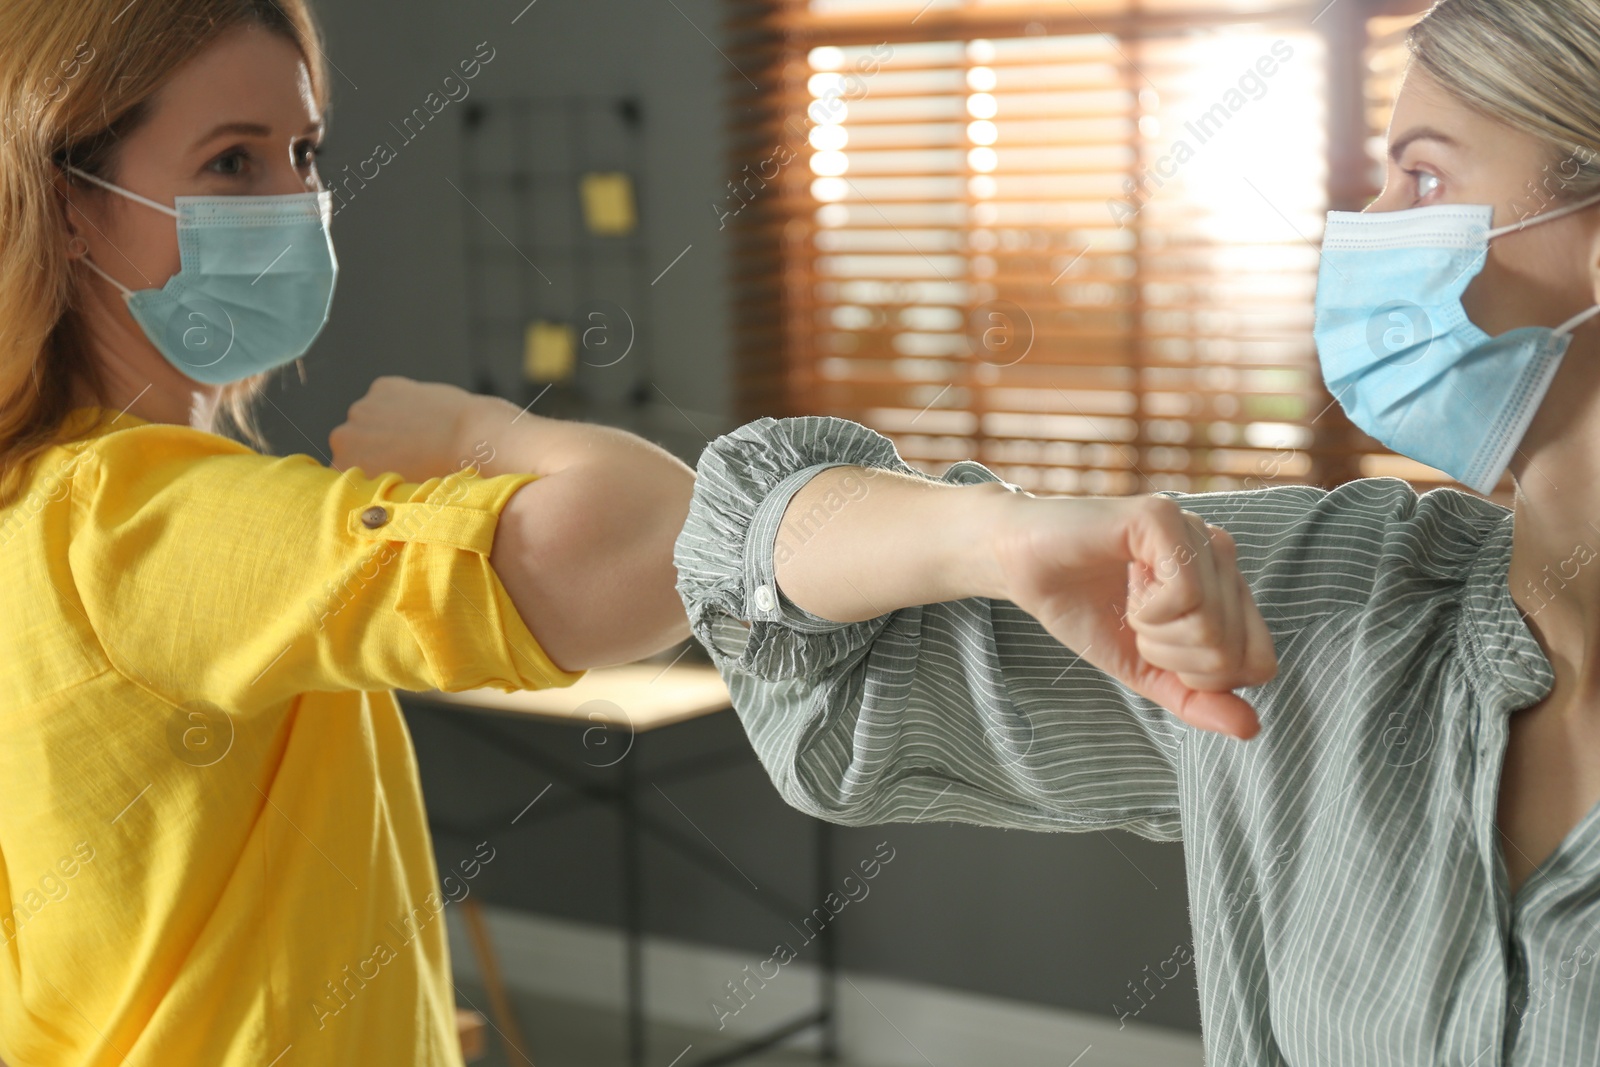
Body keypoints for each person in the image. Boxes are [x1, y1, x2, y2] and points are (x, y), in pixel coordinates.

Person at [674, 1, 1600, 1062]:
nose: (1369, 223)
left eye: (1423, 179)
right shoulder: (1315, 608)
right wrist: (996, 535)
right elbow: (761, 574)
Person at [0, 1, 693, 1064]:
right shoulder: (138, 518)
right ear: (72, 204)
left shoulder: (34, 494)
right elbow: (661, 539)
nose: (300, 202)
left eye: (304, 151)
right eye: (232, 163)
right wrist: (481, 430)